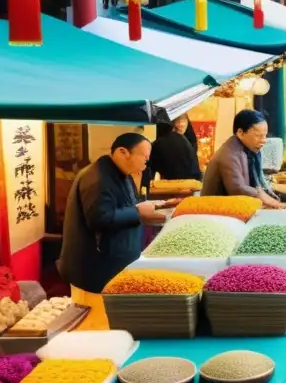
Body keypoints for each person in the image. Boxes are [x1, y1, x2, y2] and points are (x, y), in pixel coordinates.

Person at [58, 133, 166, 298]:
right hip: (95, 271)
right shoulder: (97, 177)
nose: (146, 164)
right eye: (144, 157)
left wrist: (151, 212)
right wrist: (138, 212)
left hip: (116, 265)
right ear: (123, 152)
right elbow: (100, 218)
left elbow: (128, 207)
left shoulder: (122, 174)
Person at [202, 109, 281, 208]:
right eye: (258, 136)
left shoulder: (249, 150)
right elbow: (237, 188)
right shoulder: (229, 154)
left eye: (265, 136)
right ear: (240, 133)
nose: (263, 141)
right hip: (214, 211)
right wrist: (259, 194)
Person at [146, 115, 202, 185]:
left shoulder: (159, 143)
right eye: (178, 121)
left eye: (183, 120)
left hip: (171, 187)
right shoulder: (187, 140)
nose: (181, 124)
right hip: (191, 185)